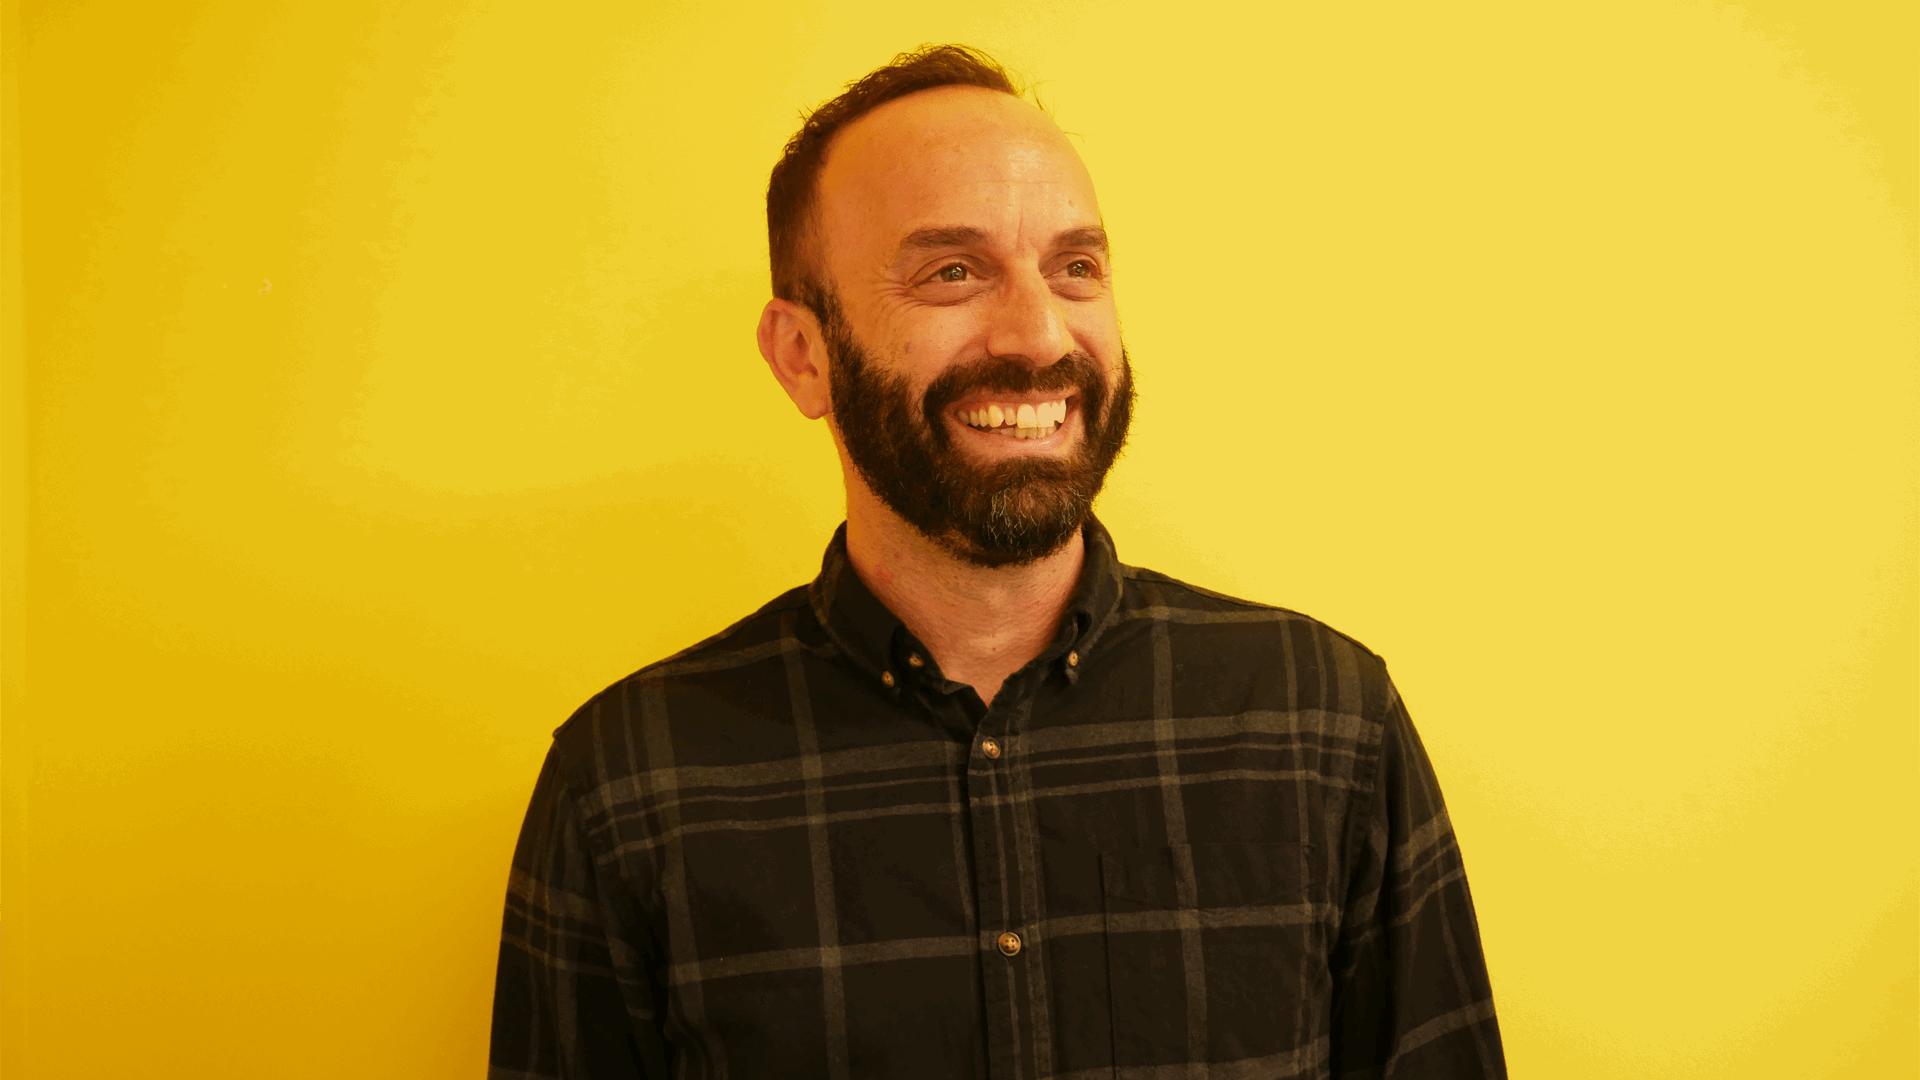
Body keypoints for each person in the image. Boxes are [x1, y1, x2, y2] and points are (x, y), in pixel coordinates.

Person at [489, 44, 1505, 1080]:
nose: (1040, 334)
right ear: (804, 356)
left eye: (1076, 267)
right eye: (953, 272)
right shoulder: (625, 787)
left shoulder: (1326, 724)